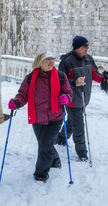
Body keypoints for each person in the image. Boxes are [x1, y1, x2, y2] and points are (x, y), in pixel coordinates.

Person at [8, 51, 73, 182]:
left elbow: (69, 93)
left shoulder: (61, 76)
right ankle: (55, 160)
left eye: (52, 59)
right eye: (47, 59)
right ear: (40, 62)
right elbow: (23, 94)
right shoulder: (30, 78)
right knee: (44, 144)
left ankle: (41, 174)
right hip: (37, 118)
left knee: (44, 144)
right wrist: (16, 102)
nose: (51, 62)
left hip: (55, 118)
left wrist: (66, 98)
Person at [55, 35, 108, 161]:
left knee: (73, 121)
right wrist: (75, 82)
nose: (87, 48)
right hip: (72, 100)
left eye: (88, 45)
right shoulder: (67, 62)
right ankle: (82, 154)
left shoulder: (88, 59)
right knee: (79, 127)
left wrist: (104, 78)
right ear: (77, 47)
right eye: (85, 46)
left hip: (84, 99)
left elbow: (94, 74)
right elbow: (60, 83)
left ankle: (60, 138)